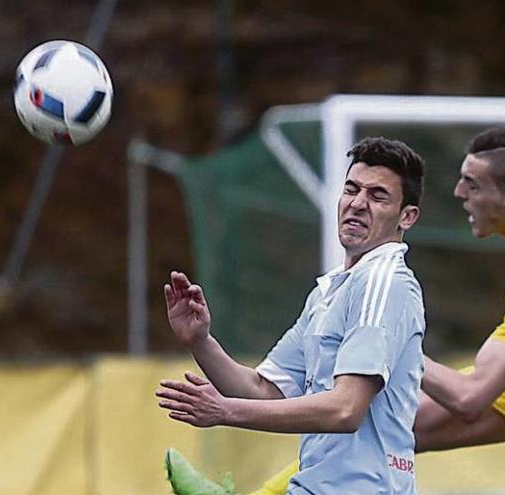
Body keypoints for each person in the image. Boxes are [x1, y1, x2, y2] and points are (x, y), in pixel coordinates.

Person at [170, 125, 505, 495]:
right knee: (394, 432)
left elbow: (470, 397)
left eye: (472, 187)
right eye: (464, 178)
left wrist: (393, 346)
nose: (458, 194)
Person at [157, 136, 427, 495]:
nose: (358, 204)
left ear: (406, 216)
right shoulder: (329, 292)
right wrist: (201, 341)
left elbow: (347, 409)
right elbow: (264, 390)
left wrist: (225, 411)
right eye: (351, 189)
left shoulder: (383, 281)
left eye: (377, 196)